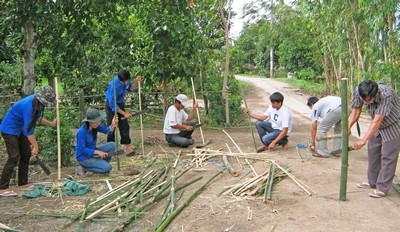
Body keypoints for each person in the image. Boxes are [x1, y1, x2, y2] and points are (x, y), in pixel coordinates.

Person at [0, 86, 58, 197]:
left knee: (26, 154)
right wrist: (35, 146)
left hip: (19, 128)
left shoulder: (38, 104)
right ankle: (2, 187)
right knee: (14, 157)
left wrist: (51, 124)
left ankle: (23, 183)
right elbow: (28, 130)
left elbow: (38, 118)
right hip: (9, 128)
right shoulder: (28, 105)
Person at [348, 80, 400, 198]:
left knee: (388, 156)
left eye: (370, 100)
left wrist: (363, 140)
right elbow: (355, 112)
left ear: (376, 94)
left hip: (394, 124)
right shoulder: (358, 91)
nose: (368, 102)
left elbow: (378, 120)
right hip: (377, 126)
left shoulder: (387, 94)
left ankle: (382, 187)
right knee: (373, 152)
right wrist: (347, 128)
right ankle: (372, 182)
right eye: (365, 100)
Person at [105, 69, 142, 156]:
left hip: (120, 103)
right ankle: (110, 150)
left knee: (124, 125)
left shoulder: (126, 80)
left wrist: (136, 82)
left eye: (126, 81)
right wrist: (124, 113)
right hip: (111, 106)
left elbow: (130, 88)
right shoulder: (113, 86)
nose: (125, 83)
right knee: (111, 127)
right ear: (119, 79)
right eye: (123, 82)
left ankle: (128, 148)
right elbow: (112, 104)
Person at [75, 108, 118, 176]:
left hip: (93, 153)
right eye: (95, 122)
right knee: (108, 168)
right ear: (89, 122)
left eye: (98, 121)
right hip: (84, 158)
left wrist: (113, 124)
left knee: (112, 145)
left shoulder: (96, 126)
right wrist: (98, 152)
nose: (98, 123)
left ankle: (99, 164)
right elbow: (82, 149)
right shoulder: (81, 132)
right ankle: (86, 168)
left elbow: (108, 131)